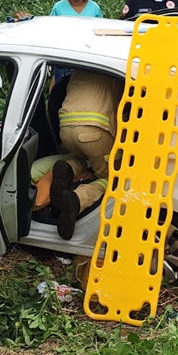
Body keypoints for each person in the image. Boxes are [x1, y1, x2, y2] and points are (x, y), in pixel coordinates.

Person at [49, 69, 124, 240]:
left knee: (84, 156)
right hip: (96, 130)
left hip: (66, 129)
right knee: (112, 178)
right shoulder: (115, 67)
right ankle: (77, 199)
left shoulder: (80, 68)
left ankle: (69, 167)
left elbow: (55, 98)